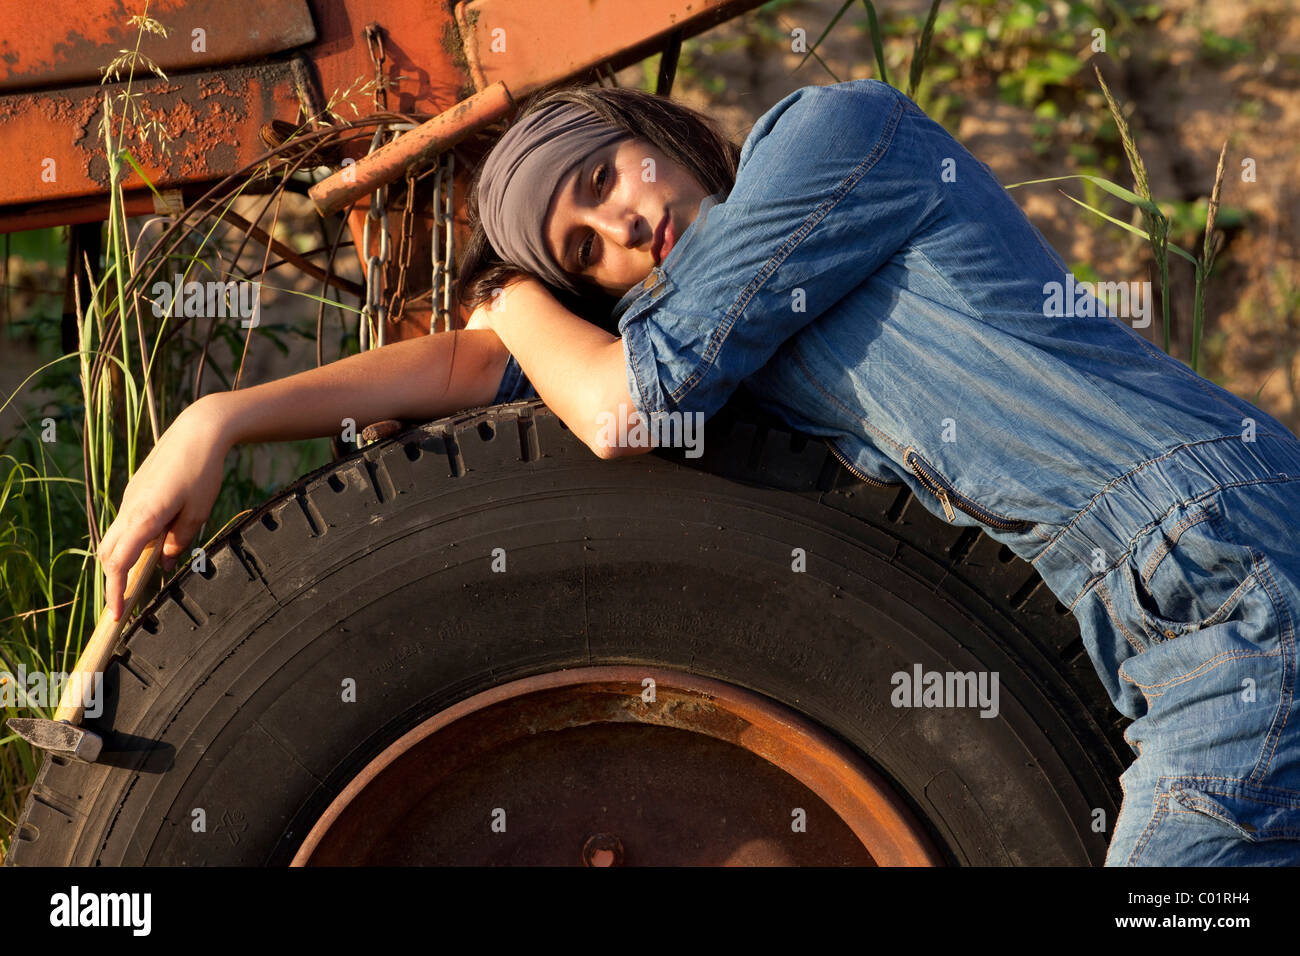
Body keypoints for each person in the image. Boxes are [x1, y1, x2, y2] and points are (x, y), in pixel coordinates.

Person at [98, 78, 1300, 866]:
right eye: (584, 249)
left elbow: (624, 405)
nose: (622, 223)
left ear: (655, 132)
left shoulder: (832, 134)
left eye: (605, 175)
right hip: (1160, 626)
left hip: (1230, 573)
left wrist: (514, 289)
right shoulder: (733, 339)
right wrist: (218, 414)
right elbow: (478, 374)